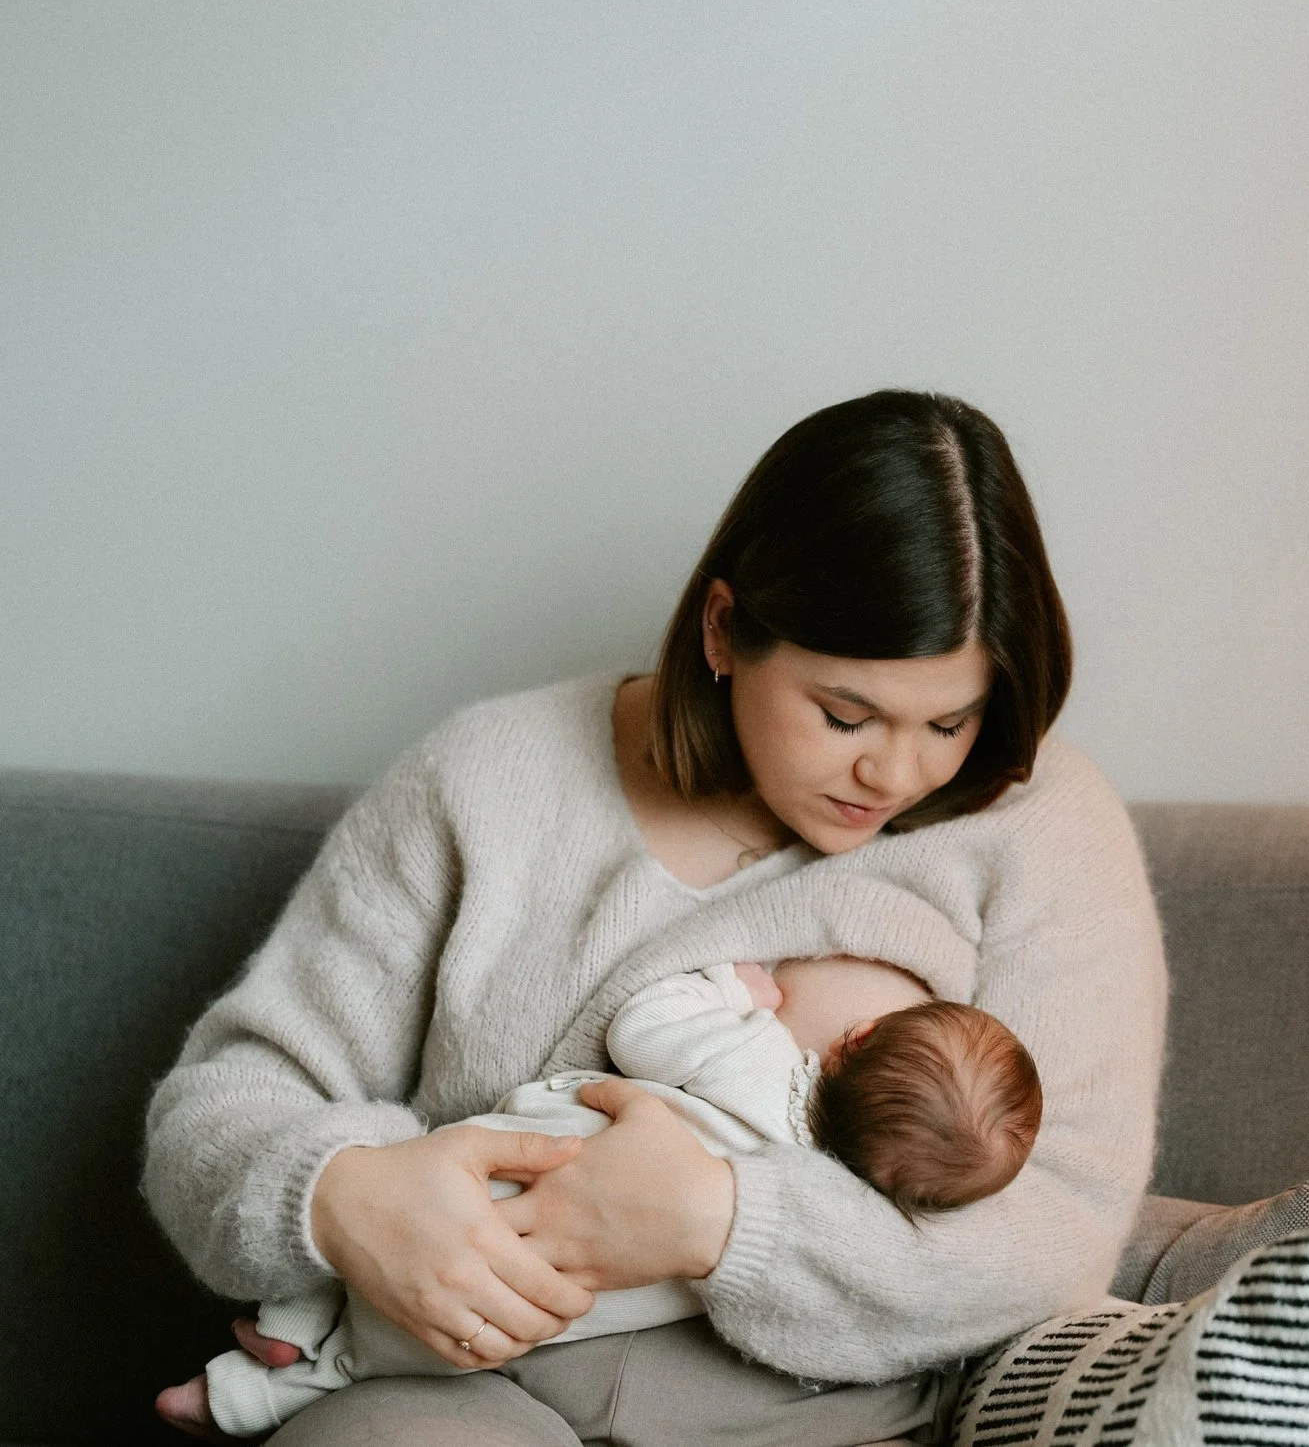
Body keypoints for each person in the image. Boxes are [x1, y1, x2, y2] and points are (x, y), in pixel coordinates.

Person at [143, 392, 1167, 1446]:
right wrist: (343, 1196)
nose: (894, 771)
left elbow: (1060, 1227)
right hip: (470, 1389)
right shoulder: (489, 782)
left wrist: (725, 1224)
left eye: (950, 720)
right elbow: (219, 1111)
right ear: (725, 628)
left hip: (836, 1416)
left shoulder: (1038, 825)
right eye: (843, 713)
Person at [167, 953, 1044, 1438]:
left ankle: (270, 1346)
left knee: (361, 1270)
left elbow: (645, 1025)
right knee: (371, 1354)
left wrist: (734, 989)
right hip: (520, 1317)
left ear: (851, 1040)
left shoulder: (755, 1054)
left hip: (478, 1192)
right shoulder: (827, 1185)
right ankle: (252, 1395)